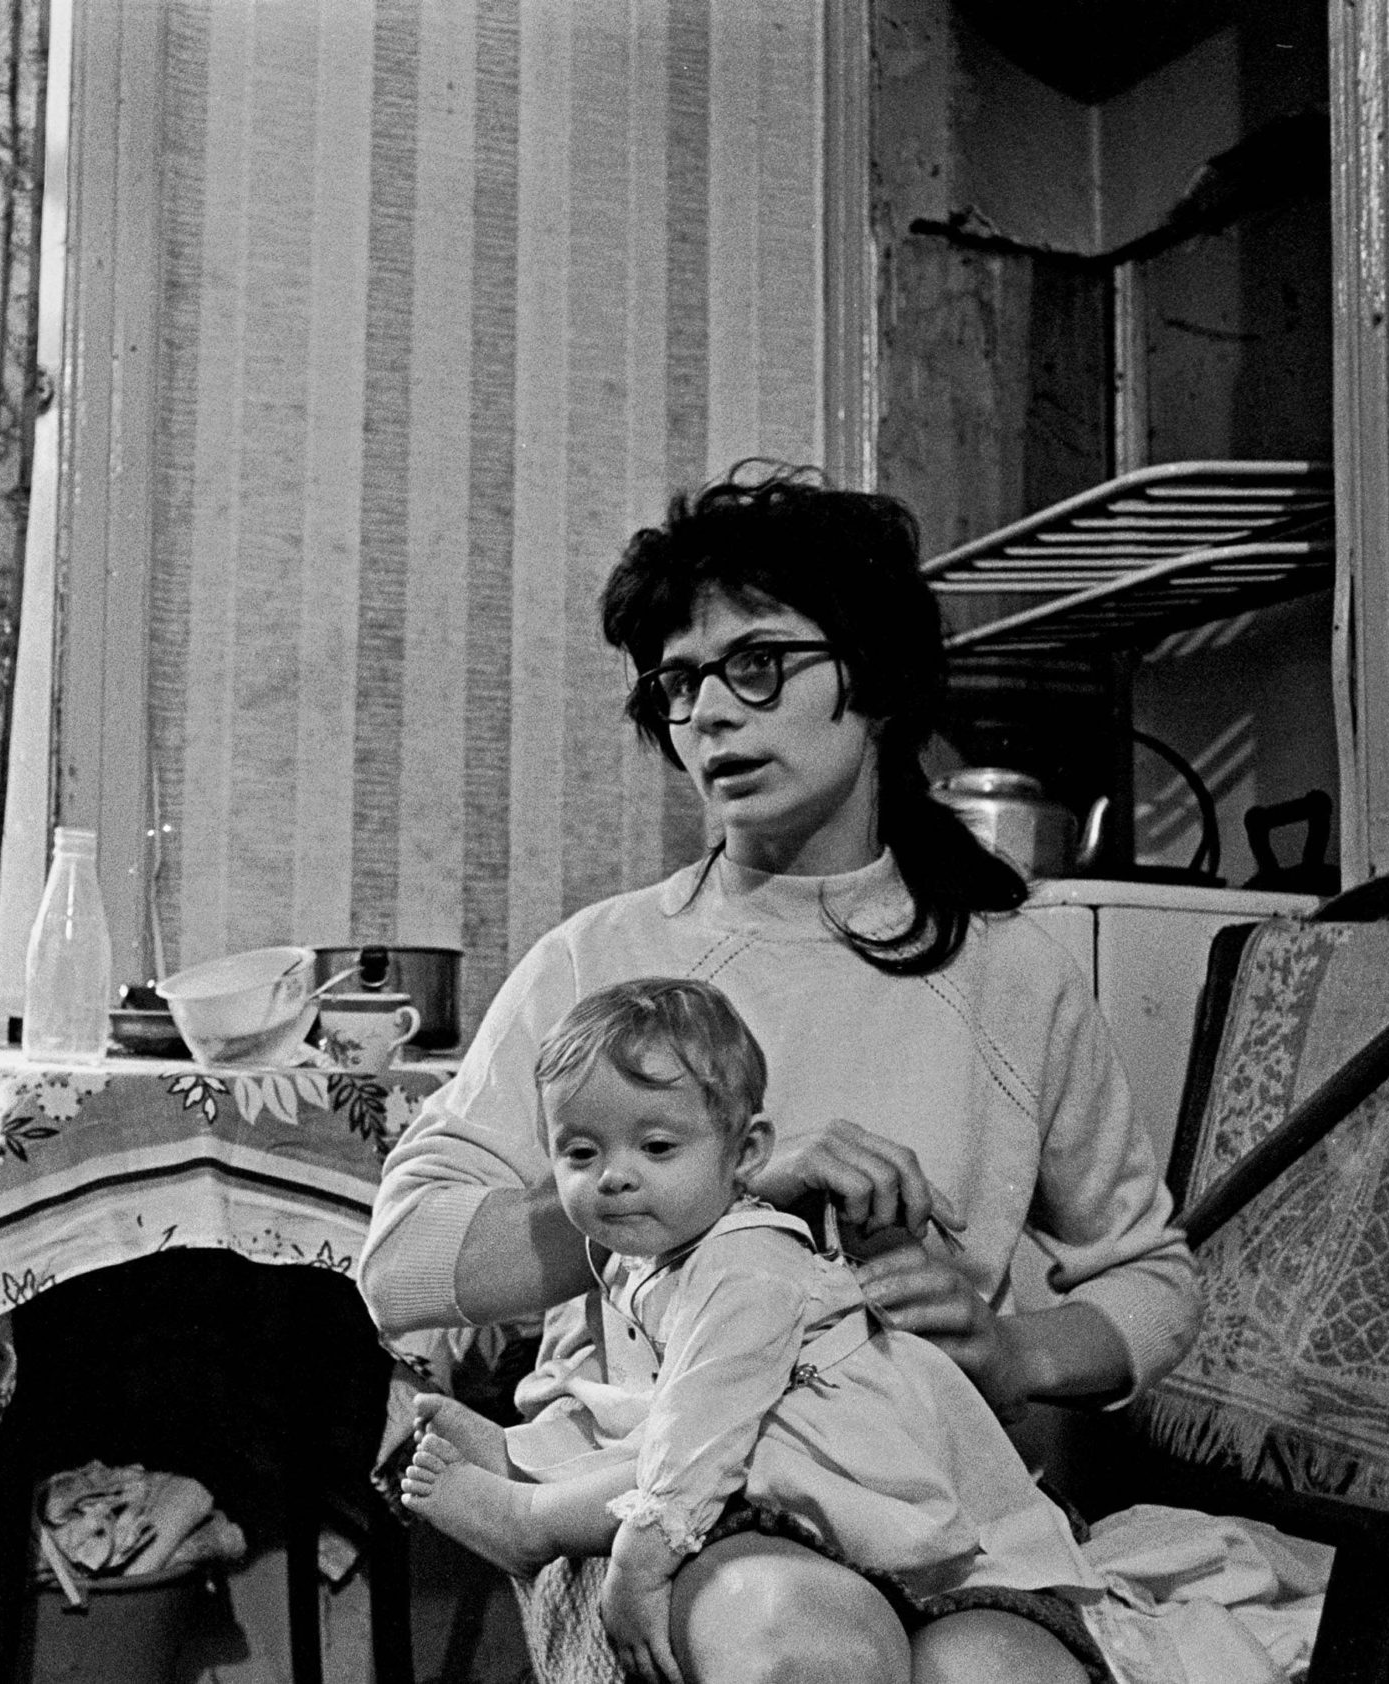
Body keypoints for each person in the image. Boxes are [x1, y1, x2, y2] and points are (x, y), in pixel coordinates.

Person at [358, 465, 1200, 1684]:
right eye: (680, 681)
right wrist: (706, 1190)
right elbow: (401, 1264)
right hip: (648, 1486)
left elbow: (1154, 1279)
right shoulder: (603, 959)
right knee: (803, 1646)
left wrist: (1019, 1353)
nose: (707, 711)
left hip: (921, 1492)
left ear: (876, 676)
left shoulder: (1013, 973)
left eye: (756, 664)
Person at [398, 977, 1106, 1684]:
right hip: (753, 1433)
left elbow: (693, 1439)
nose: (614, 1177)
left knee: (702, 1453)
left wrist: (639, 1570)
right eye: (581, 1154)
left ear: (748, 1154)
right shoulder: (647, 1248)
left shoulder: (745, 1261)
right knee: (667, 1428)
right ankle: (529, 1460)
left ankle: (534, 1516)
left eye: (656, 1147)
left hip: (836, 1456)